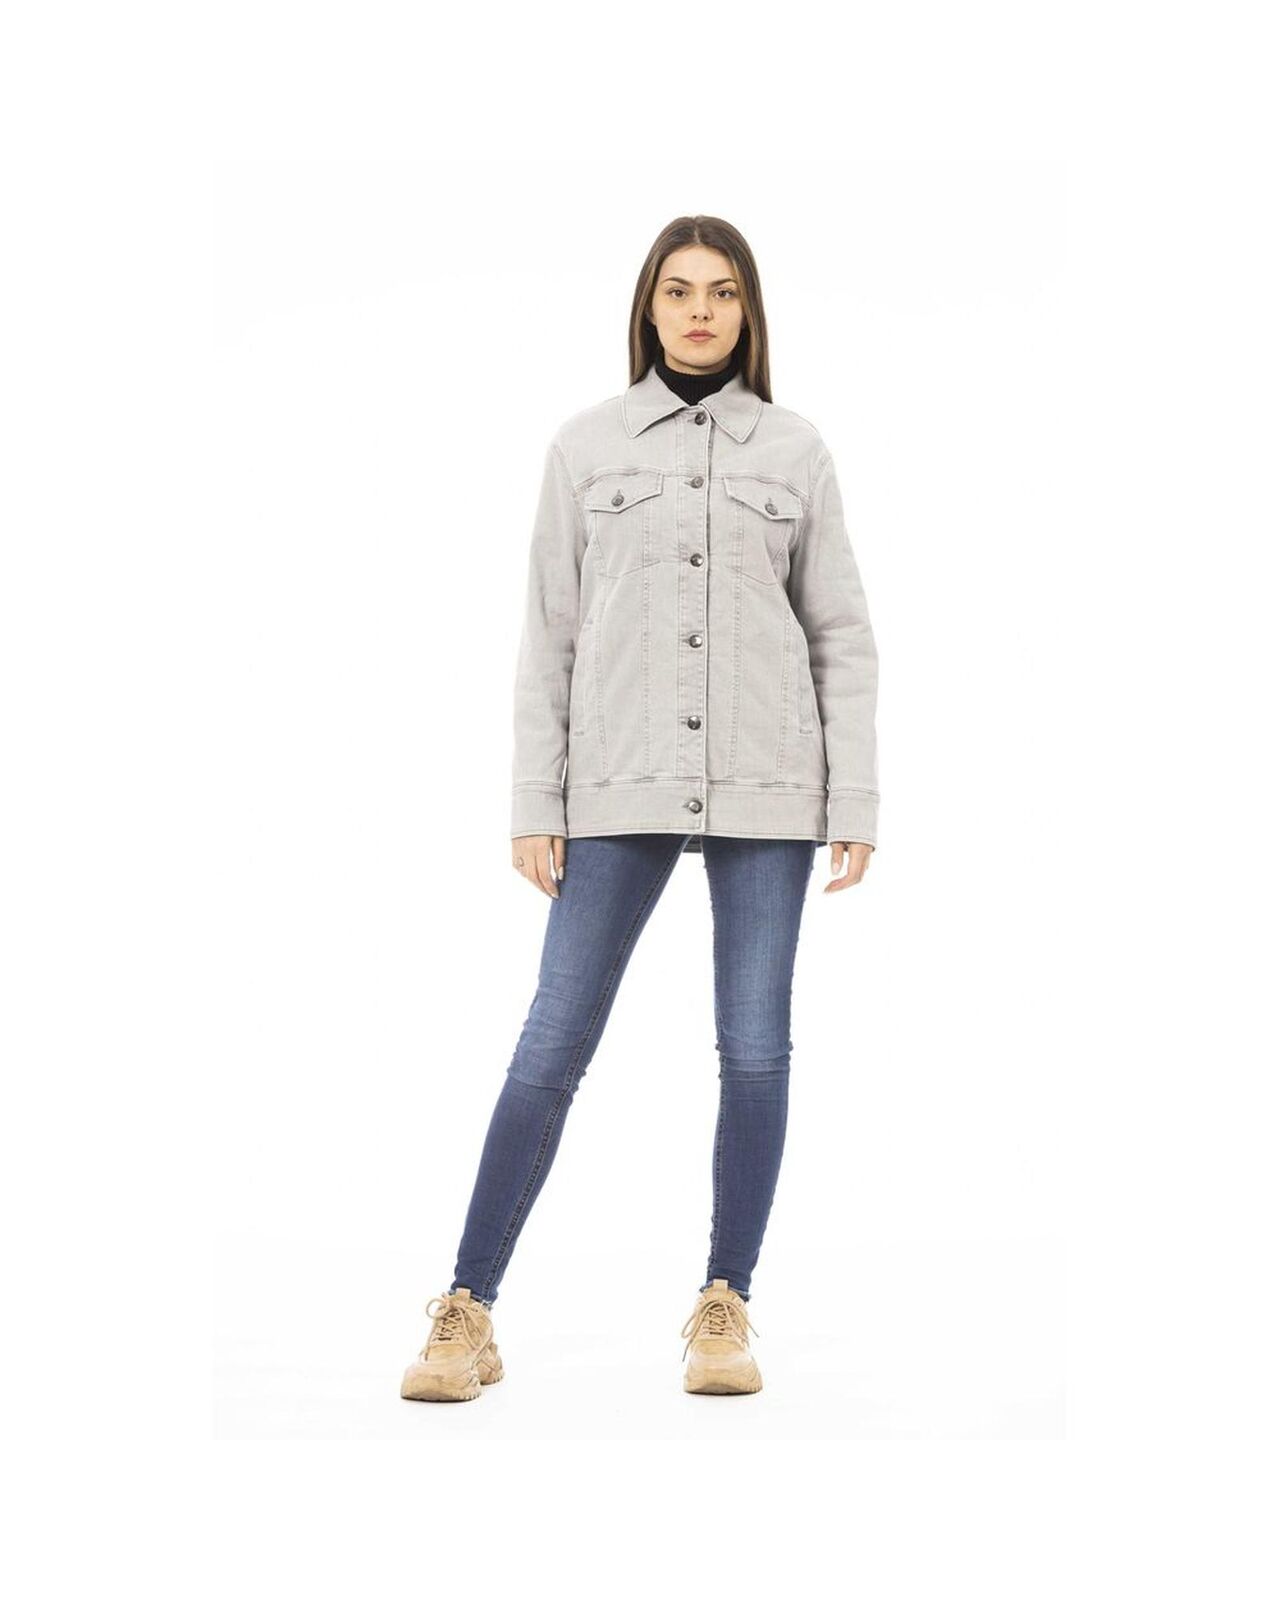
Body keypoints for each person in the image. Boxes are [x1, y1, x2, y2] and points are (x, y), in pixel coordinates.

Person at [401, 215, 879, 1402]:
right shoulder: (584, 447)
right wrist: (535, 798)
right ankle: (466, 1308)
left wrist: (853, 793)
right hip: (616, 780)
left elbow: (838, 630)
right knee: (551, 1040)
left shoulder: (796, 451)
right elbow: (548, 637)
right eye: (677, 291)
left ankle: (724, 1305)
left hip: (770, 784)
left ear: (746, 309)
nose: (699, 311)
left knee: (754, 1046)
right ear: (648, 307)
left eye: (720, 292)